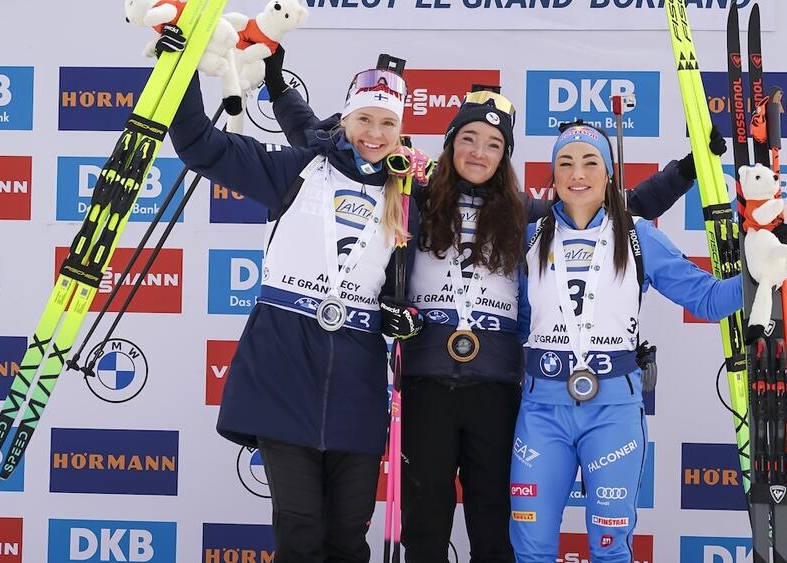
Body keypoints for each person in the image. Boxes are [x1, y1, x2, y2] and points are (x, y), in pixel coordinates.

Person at [263, 49, 725, 563]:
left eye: (492, 144)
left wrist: (686, 171)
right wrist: (280, 91)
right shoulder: (413, 189)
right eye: (468, 140)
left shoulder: (525, 213)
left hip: (498, 388)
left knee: (493, 523)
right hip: (426, 383)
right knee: (425, 523)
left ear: (504, 154)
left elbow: (613, 208)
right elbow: (327, 147)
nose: (478, 152)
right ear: (451, 143)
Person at [164, 36, 427, 562]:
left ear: (402, 131)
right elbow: (198, 143)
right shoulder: (298, 169)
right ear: (345, 120)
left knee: (348, 537)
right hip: (283, 370)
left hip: (357, 381)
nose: (374, 134)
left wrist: (405, 316)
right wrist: (180, 65)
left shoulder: (411, 195)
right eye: (364, 120)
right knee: (300, 532)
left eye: (387, 123)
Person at [509, 122, 744, 563]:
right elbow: (520, 321)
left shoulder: (637, 236)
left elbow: (709, 300)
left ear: (609, 174)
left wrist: (761, 270)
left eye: (590, 162)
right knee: (531, 546)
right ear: (553, 177)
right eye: (566, 164)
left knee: (609, 546)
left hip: (613, 411)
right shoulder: (530, 237)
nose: (578, 174)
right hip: (542, 412)